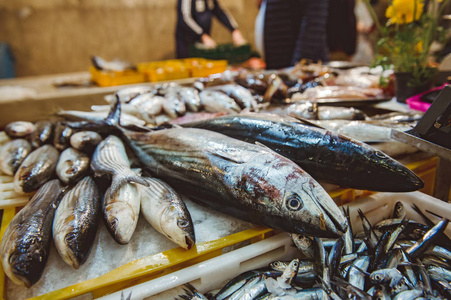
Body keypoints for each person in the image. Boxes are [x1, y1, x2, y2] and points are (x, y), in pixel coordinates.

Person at [175, 0, 247, 59]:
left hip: (203, 44)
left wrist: (234, 30)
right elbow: (185, 18)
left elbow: (219, 11)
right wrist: (202, 35)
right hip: (187, 44)